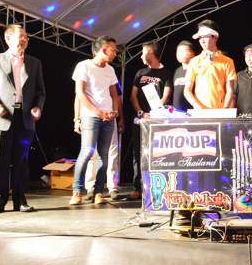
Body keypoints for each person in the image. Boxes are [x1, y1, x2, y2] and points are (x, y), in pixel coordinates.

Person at [0, 24, 45, 213]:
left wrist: (37, 107)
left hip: (25, 117)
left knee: (21, 161)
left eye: (26, 36)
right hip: (2, 116)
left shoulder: (34, 63)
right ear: (8, 39)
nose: (24, 39)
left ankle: (20, 200)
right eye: (21, 36)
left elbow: (41, 92)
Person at [70, 36, 121, 205]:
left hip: (108, 118)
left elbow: (114, 95)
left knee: (103, 155)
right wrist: (96, 113)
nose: (115, 53)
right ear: (103, 49)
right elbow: (80, 94)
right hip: (91, 116)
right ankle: (77, 191)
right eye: (113, 50)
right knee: (87, 152)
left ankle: (99, 191)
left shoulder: (110, 70)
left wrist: (114, 111)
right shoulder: (83, 66)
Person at [130, 41, 172, 200]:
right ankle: (137, 187)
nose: (141, 56)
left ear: (150, 52)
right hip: (141, 119)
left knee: (158, 154)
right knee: (138, 154)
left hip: (158, 120)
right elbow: (133, 96)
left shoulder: (166, 73)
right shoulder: (140, 73)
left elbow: (166, 96)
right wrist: (141, 112)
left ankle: (157, 189)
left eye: (142, 53)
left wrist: (154, 113)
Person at [73, 82, 123, 199]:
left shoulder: (109, 76)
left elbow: (117, 98)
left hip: (109, 118)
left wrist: (121, 118)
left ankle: (112, 186)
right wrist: (77, 119)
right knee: (91, 152)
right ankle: (90, 186)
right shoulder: (86, 75)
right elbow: (78, 97)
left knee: (112, 151)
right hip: (91, 118)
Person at [184, 19, 236, 109]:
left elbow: (230, 90)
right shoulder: (194, 61)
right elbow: (187, 90)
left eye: (205, 36)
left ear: (215, 37)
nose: (202, 40)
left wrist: (225, 109)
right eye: (200, 37)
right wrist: (196, 106)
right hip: (200, 111)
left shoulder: (227, 61)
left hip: (220, 111)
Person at [172, 40, 195, 111]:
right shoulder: (177, 71)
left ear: (192, 53)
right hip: (177, 113)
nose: (180, 54)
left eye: (183, 51)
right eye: (178, 51)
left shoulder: (196, 69)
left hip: (192, 112)